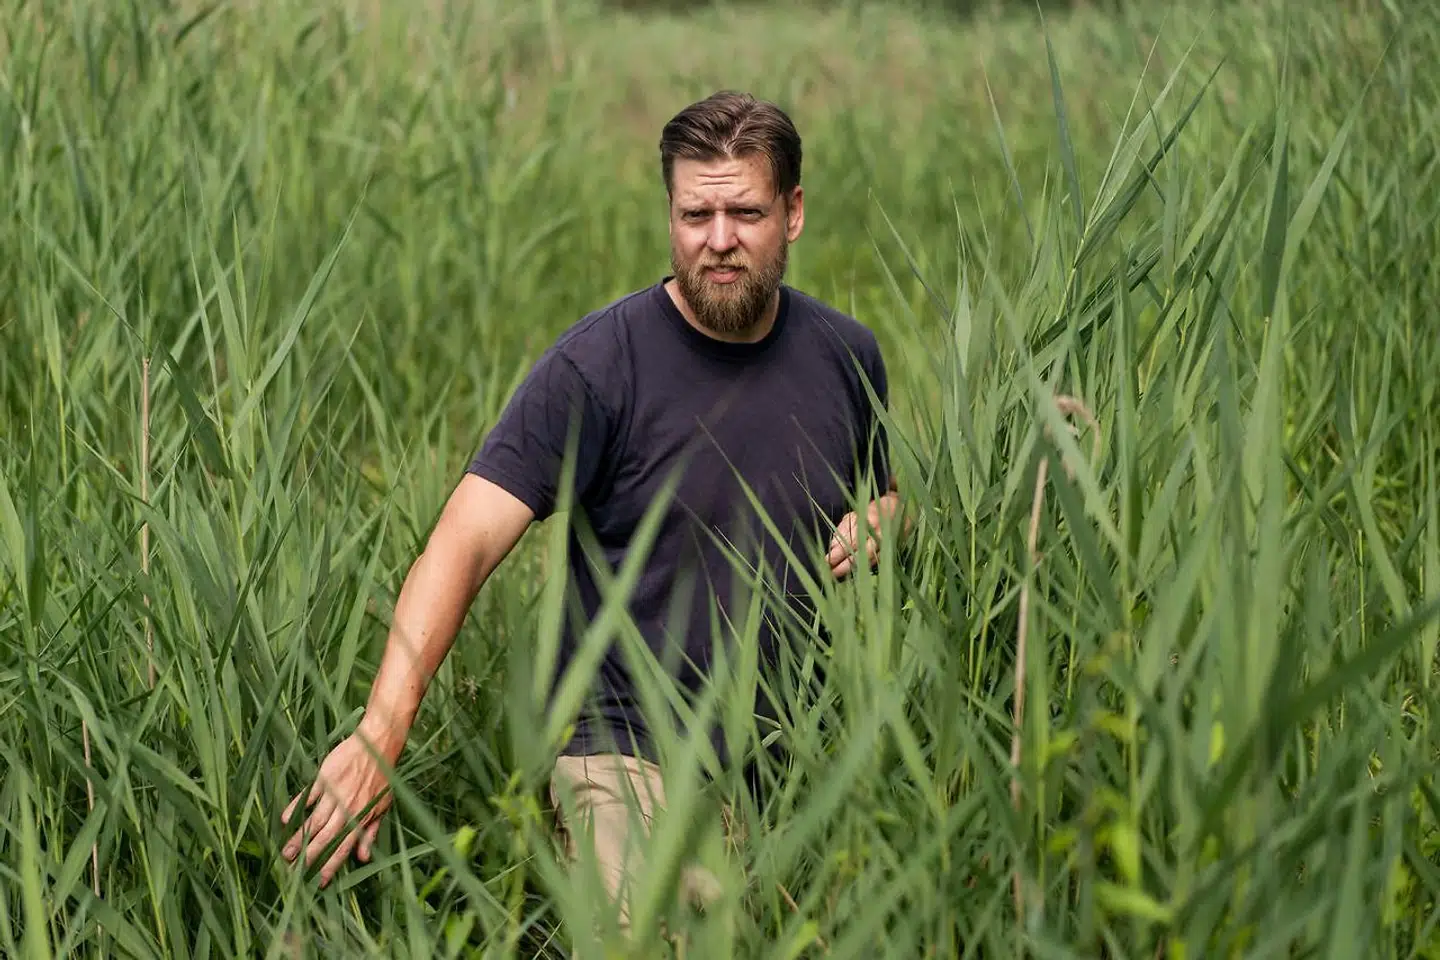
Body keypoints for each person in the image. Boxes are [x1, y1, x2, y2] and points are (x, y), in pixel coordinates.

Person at [280, 90, 907, 929]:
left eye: (745, 212)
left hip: (794, 761)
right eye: (697, 213)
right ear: (670, 214)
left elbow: (880, 494)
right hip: (622, 749)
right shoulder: (598, 369)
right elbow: (462, 541)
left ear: (792, 213)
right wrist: (381, 729)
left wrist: (892, 519)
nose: (719, 240)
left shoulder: (845, 356)